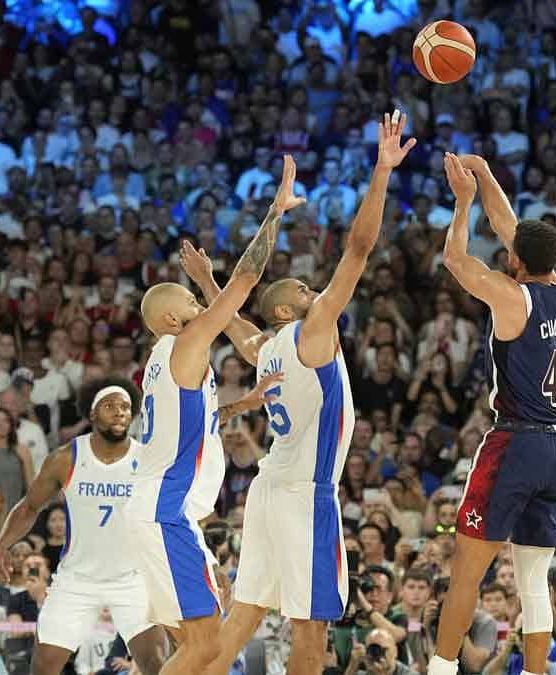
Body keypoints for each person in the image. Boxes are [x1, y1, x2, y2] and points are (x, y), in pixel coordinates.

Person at [183, 111, 415, 675]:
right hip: (304, 493)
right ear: (288, 309)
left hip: (267, 490)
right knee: (312, 628)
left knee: (244, 616)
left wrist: (209, 283)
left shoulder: (265, 348)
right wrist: (381, 172)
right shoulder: (310, 332)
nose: (318, 290)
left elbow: (232, 322)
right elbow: (358, 252)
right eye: (306, 289)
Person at [125, 154, 304, 675]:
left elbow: (197, 420)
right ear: (171, 317)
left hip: (162, 512)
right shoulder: (185, 341)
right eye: (190, 297)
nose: (200, 305)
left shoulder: (169, 361)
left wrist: (244, 404)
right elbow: (246, 283)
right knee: (205, 650)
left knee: (199, 648)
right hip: (166, 514)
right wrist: (275, 212)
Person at [427, 153, 556, 675]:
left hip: (517, 442)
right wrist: (488, 174)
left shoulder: (513, 297)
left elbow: (456, 262)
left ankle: (441, 671)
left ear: (516, 259)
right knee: (534, 576)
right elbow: (513, 226)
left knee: (467, 568)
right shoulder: (555, 287)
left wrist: (464, 203)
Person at [0, 378, 166, 675]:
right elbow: (29, 507)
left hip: (132, 578)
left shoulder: (147, 460)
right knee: (43, 667)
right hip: (77, 579)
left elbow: (173, 516)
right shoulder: (66, 458)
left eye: (125, 407)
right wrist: (0, 544)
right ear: (92, 414)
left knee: (156, 664)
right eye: (110, 406)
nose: (120, 412)